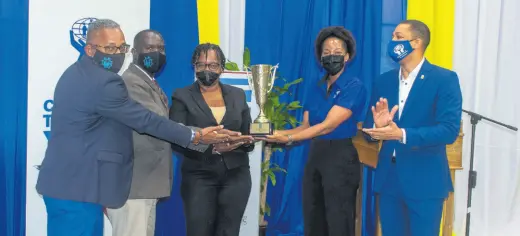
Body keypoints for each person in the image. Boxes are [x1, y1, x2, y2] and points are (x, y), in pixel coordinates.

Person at [36, 19, 235, 236]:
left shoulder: (77, 72)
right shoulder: (103, 82)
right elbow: (146, 120)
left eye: (122, 47)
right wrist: (194, 136)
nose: (118, 54)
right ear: (90, 49)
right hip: (76, 189)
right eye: (110, 48)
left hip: (73, 185)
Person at [261, 26, 366, 236]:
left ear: (347, 56)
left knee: (338, 220)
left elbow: (327, 125)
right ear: (320, 57)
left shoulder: (354, 86)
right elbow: (306, 126)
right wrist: (274, 133)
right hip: (315, 155)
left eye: (337, 52)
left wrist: (288, 138)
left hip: (340, 158)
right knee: (313, 217)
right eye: (326, 52)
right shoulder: (315, 86)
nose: (331, 56)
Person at [362, 20, 462, 236]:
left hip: (425, 179)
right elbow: (370, 132)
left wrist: (403, 134)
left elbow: (448, 130)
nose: (392, 41)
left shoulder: (444, 79)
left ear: (416, 42)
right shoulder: (383, 81)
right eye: (392, 37)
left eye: (398, 37)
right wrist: (376, 127)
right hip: (389, 179)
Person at [169, 43, 255, 236]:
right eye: (201, 65)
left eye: (212, 65)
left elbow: (246, 131)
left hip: (236, 174)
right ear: (194, 67)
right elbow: (176, 136)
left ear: (222, 68)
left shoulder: (238, 94)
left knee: (229, 231)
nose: (206, 70)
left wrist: (245, 140)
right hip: (199, 175)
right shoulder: (181, 95)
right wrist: (213, 148)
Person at [105, 29, 173, 236]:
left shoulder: (147, 81)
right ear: (134, 52)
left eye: (160, 48)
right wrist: (198, 136)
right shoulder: (130, 82)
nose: (156, 53)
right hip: (134, 184)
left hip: (146, 184)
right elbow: (157, 123)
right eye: (150, 48)